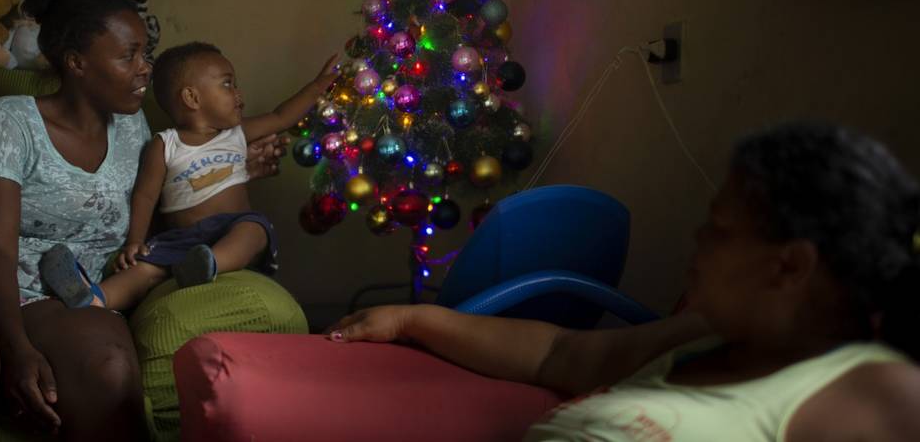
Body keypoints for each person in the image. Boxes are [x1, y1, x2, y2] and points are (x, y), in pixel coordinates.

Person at [0, 0, 288, 441]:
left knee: (110, 375)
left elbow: (148, 224)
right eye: (129, 56)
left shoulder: (134, 128)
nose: (145, 68)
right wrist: (17, 348)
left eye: (146, 53)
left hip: (62, 295)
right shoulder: (11, 120)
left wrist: (225, 179)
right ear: (76, 62)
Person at [328, 123, 920, 441]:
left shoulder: (874, 395)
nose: (696, 246)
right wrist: (413, 318)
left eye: (718, 233)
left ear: (790, 266)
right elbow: (558, 352)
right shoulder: (702, 337)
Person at [41, 41, 338, 311]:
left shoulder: (237, 134)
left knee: (254, 229)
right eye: (227, 84)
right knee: (143, 271)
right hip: (179, 239)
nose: (238, 94)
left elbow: (282, 116)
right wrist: (134, 242)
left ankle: (211, 263)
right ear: (192, 98)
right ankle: (91, 298)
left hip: (231, 227)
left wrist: (317, 86)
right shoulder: (165, 144)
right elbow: (145, 196)